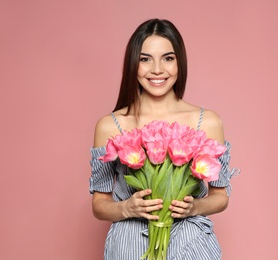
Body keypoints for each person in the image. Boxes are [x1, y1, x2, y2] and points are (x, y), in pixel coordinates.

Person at [90, 18, 236, 259]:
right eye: (145, 59)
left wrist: (195, 207)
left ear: (180, 62)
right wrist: (126, 208)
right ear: (132, 64)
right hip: (130, 246)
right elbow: (99, 204)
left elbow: (220, 196)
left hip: (190, 244)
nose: (157, 69)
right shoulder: (111, 125)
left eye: (168, 58)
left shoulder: (207, 121)